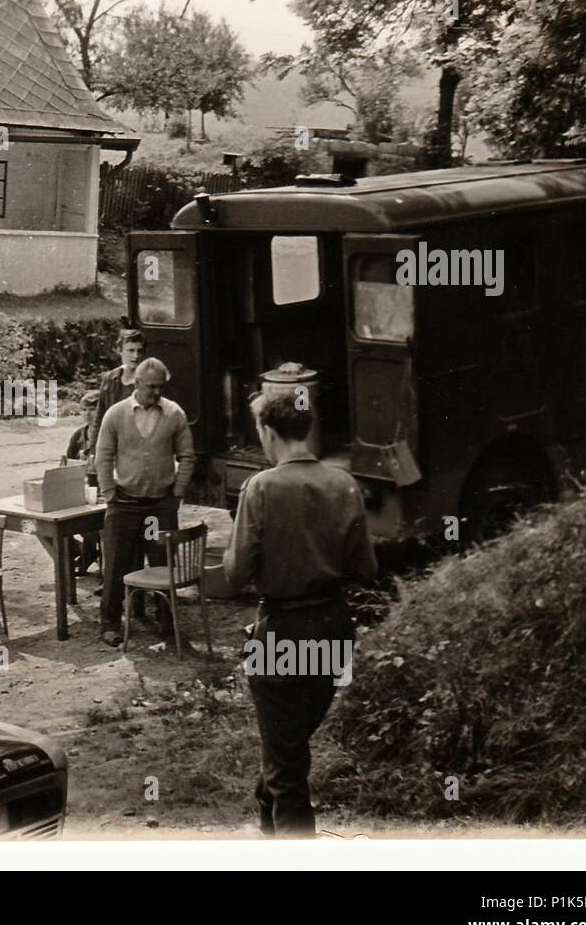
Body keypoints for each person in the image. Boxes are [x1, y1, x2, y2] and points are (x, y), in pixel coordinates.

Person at [220, 391, 378, 837]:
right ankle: (267, 823)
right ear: (308, 429)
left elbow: (235, 573)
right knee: (290, 746)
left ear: (269, 433)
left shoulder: (262, 487)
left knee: (287, 769)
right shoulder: (344, 483)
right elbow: (367, 568)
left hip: (282, 633)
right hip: (333, 629)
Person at [95, 357, 195, 647]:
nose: (156, 392)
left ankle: (167, 623)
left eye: (160, 387)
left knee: (163, 562)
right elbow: (103, 456)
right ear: (135, 384)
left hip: (159, 507)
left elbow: (187, 456)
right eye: (151, 386)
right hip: (124, 504)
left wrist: (177, 492)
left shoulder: (174, 414)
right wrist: (109, 493)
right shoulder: (115, 415)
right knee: (116, 565)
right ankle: (111, 624)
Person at [90, 328, 146, 465]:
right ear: (120, 351)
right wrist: (93, 452)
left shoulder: (147, 381)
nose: (135, 356)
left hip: (136, 452)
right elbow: (100, 417)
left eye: (139, 351)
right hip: (111, 447)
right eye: (131, 350)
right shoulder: (110, 378)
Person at [65, 389, 102, 575]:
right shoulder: (78, 435)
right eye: (85, 409)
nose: (88, 413)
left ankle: (88, 555)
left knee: (94, 525)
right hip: (81, 490)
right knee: (53, 527)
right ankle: (78, 553)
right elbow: (65, 466)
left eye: (93, 408)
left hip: (102, 492)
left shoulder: (107, 433)